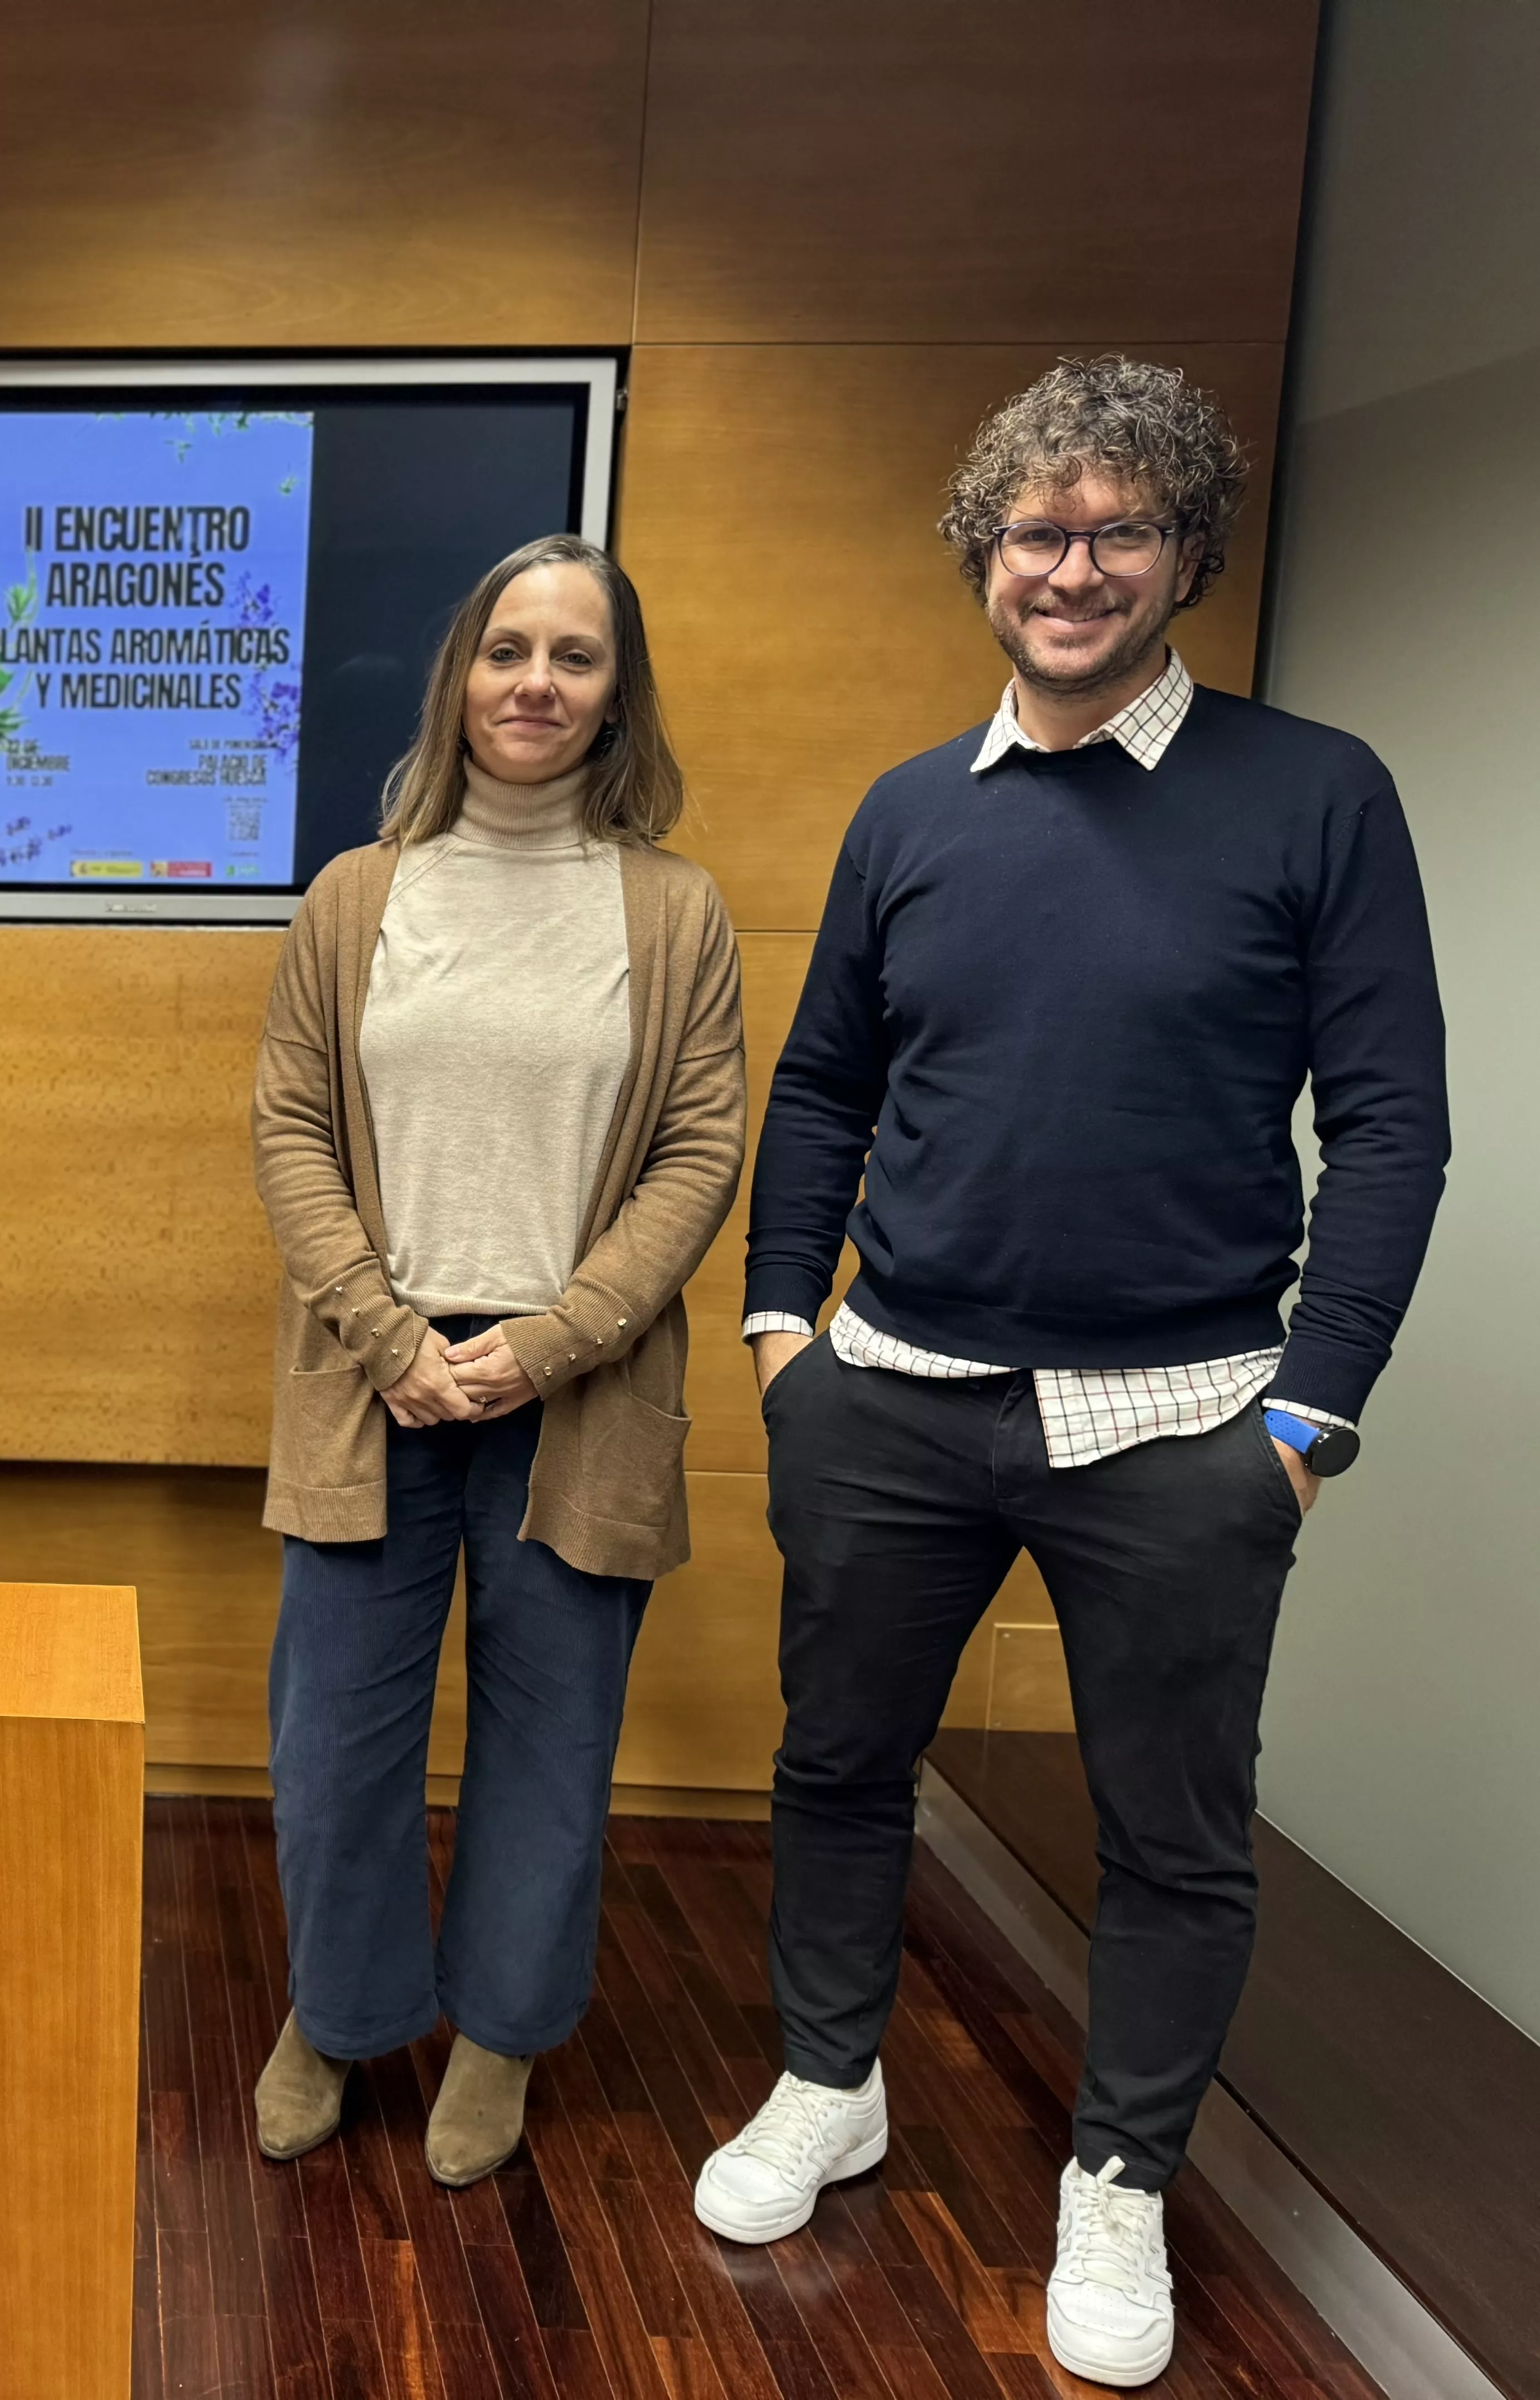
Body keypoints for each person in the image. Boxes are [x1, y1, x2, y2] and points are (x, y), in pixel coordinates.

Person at [700, 358, 1449, 2388]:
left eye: (1121, 529)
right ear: (985, 555)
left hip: (1187, 1424)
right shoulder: (907, 812)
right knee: (839, 1767)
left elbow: (1392, 1126)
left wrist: (1304, 1421)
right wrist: (785, 1334)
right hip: (891, 1398)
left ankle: (1118, 2181)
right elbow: (828, 1079)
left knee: (1176, 1840)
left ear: (1186, 550)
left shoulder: (1316, 792)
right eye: (1039, 530)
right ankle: (827, 2080)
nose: (1075, 565)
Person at [249, 534, 746, 2186]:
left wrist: (552, 1340)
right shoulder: (355, 894)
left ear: (619, 695)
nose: (536, 681)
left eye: (576, 656)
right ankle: (337, 2009)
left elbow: (698, 1151)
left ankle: (505, 2038)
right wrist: (393, 1336)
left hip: (575, 1394)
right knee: (334, 1744)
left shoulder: (674, 914)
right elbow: (292, 1126)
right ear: (461, 673)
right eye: (508, 648)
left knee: (550, 1747)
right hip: (371, 1379)